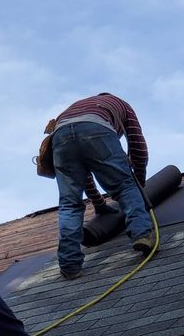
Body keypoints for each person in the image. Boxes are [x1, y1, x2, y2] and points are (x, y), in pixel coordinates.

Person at [51, 92, 154, 279]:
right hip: (95, 126)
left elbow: (84, 176)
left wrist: (99, 204)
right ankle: (142, 235)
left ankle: (69, 266)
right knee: (125, 186)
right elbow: (138, 148)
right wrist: (139, 184)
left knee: (69, 204)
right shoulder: (124, 107)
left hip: (60, 135)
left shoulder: (77, 106)